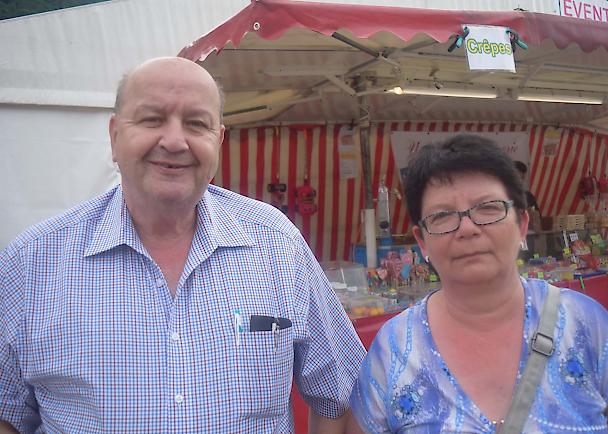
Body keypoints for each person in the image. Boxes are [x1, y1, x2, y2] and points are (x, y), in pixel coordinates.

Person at [0, 57, 365, 433]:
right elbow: (7, 414)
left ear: (218, 140)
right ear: (114, 137)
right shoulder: (31, 263)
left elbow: (341, 394)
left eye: (196, 124)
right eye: (152, 119)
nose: (174, 141)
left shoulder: (277, 244)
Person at [348, 135, 608, 433]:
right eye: (442, 216)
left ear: (522, 225)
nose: (467, 228)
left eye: (488, 208)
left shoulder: (585, 325)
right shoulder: (394, 349)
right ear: (421, 241)